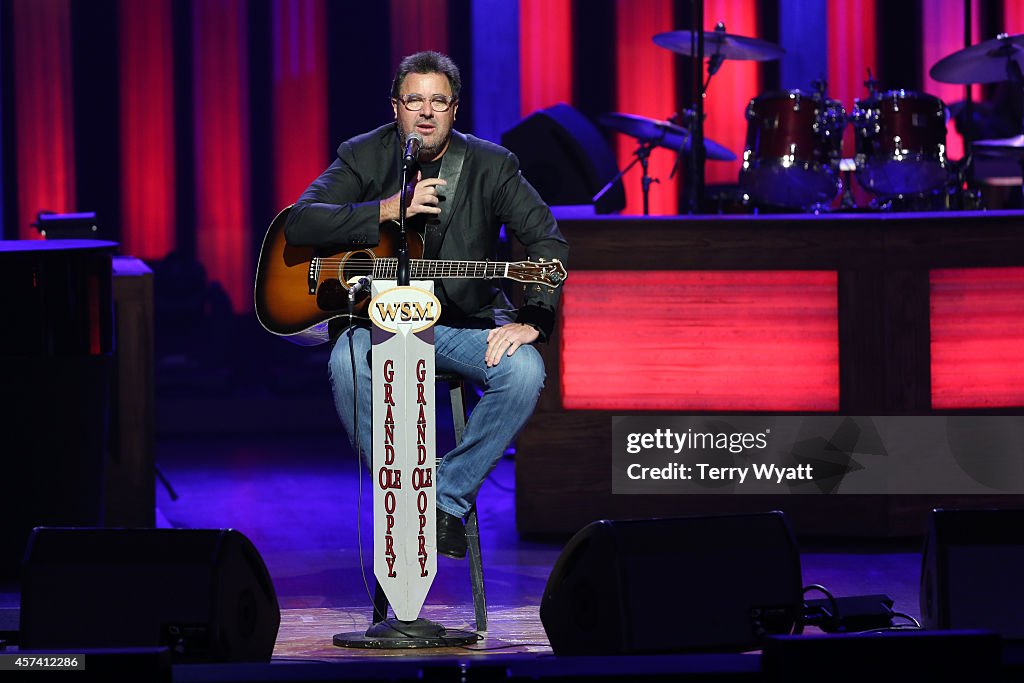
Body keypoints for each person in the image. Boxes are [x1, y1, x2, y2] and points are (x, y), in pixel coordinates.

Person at [284, 51, 568, 559]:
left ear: (454, 110)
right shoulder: (363, 154)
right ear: (396, 107)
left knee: (524, 372)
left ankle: (446, 498)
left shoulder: (491, 165)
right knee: (347, 362)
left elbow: (548, 242)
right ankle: (401, 496)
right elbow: (302, 222)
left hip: (457, 326)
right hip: (375, 320)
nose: (426, 112)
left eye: (439, 101)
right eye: (414, 100)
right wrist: (387, 210)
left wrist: (533, 319)